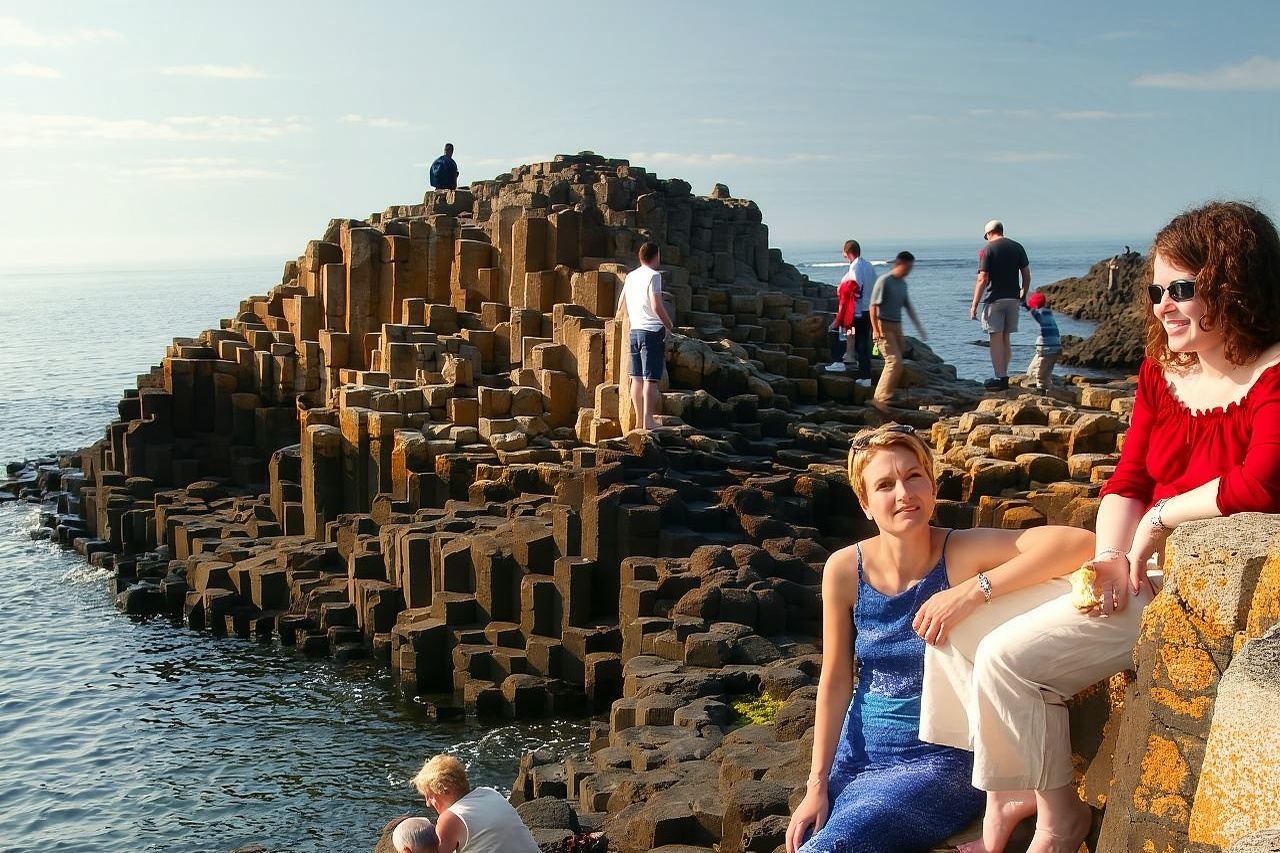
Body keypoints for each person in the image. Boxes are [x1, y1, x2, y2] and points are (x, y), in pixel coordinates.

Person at [925, 200, 1280, 853]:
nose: (1162, 306)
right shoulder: (1162, 371)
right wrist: (1113, 555)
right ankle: (1009, 790)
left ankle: (1062, 819)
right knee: (956, 628)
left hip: (1196, 589)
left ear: (1235, 284)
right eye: (1156, 289)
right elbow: (1129, 480)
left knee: (1006, 657)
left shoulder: (1273, 376)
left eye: (1182, 289)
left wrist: (1160, 524)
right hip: (1138, 568)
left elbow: (1259, 481)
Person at [784, 424, 1095, 853]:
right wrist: (816, 784)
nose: (904, 493)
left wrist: (973, 591)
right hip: (859, 752)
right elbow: (836, 681)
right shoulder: (842, 569)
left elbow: (1080, 543)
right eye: (885, 485)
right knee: (808, 837)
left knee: (834, 845)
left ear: (932, 486)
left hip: (941, 758)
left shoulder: (959, 551)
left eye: (914, 477)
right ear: (866, 504)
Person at [411, 754, 540, 853]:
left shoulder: (449, 819)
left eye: (430, 796)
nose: (428, 803)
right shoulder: (489, 793)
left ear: (444, 791)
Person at [617, 241, 674, 431]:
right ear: (656, 256)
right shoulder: (654, 276)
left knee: (637, 378)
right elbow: (656, 304)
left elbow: (620, 306)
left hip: (635, 332)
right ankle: (648, 420)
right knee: (651, 379)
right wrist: (669, 324)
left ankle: (639, 421)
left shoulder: (631, 276)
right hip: (652, 331)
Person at [970, 221, 1031, 391]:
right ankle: (1004, 375)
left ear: (989, 233)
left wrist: (974, 304)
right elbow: (1026, 273)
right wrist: (1023, 293)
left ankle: (1001, 378)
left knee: (995, 339)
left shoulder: (987, 250)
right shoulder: (1017, 247)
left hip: (994, 300)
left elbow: (982, 278)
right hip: (1013, 300)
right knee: (1006, 338)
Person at [869, 251, 927, 411]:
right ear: (899, 264)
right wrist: (875, 330)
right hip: (883, 325)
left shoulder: (902, 284)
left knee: (898, 363)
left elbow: (908, 307)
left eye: (911, 268)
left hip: (897, 326)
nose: (909, 271)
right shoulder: (884, 281)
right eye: (907, 267)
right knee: (894, 362)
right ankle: (879, 399)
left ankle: (887, 394)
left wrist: (920, 328)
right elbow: (873, 306)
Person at [825, 244, 862, 373]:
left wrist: (837, 320)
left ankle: (839, 361)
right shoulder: (862, 267)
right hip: (857, 312)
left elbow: (848, 298)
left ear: (847, 252)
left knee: (841, 335)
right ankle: (851, 360)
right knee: (851, 337)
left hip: (849, 313)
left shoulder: (854, 271)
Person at [849, 240, 878, 385]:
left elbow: (856, 287)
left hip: (859, 310)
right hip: (870, 308)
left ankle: (864, 375)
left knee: (859, 342)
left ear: (847, 252)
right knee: (865, 342)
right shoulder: (869, 266)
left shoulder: (855, 267)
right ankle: (866, 373)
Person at [1023, 291, 1061, 391]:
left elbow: (1033, 312)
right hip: (1054, 347)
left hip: (1047, 349)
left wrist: (1023, 302)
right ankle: (1047, 387)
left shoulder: (1040, 314)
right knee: (1039, 370)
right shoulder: (1048, 313)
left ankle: (1042, 391)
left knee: (1041, 373)